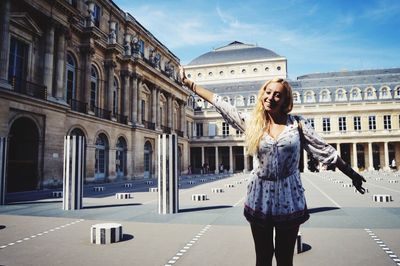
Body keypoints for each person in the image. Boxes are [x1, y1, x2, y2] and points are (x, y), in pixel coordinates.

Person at [179, 67, 366, 266]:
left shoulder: (298, 125)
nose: (270, 97)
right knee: (263, 257)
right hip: (260, 196)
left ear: (285, 100)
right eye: (268, 92)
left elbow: (326, 150)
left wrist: (352, 174)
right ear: (262, 95)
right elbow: (221, 103)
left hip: (289, 197)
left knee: (285, 259)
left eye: (277, 95)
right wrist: (189, 84)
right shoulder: (253, 123)